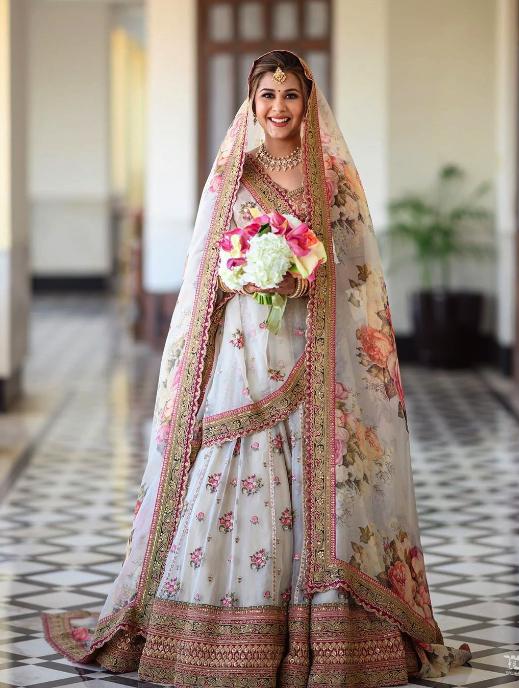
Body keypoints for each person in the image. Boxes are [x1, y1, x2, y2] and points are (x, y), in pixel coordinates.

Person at [43, 50, 472, 687]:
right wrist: (247, 270)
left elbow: (356, 267)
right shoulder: (233, 174)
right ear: (251, 100)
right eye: (267, 96)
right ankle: (209, 628)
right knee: (235, 460)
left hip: (312, 344)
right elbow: (204, 268)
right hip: (242, 350)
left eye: (290, 96)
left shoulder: (329, 177)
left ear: (308, 100)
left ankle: (324, 632)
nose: (278, 108)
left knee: (316, 467)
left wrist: (303, 272)